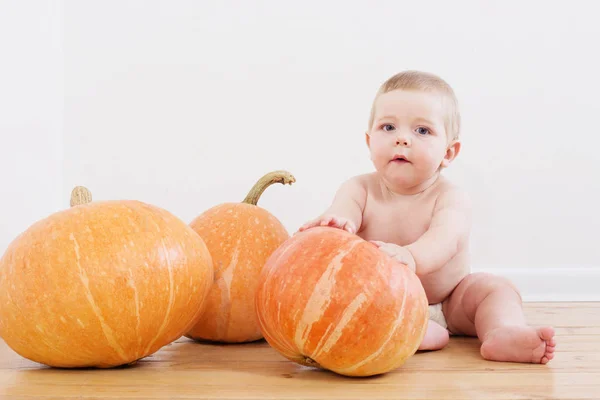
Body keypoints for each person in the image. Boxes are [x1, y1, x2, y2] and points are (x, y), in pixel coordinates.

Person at [298, 70, 556, 364]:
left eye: (422, 131)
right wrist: (332, 223)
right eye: (388, 127)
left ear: (448, 152)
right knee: (355, 307)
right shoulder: (359, 188)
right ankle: (414, 331)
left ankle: (503, 331)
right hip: (385, 301)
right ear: (369, 142)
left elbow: (444, 240)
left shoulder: (450, 196)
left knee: (494, 289)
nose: (402, 139)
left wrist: (412, 257)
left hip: (450, 300)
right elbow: (344, 212)